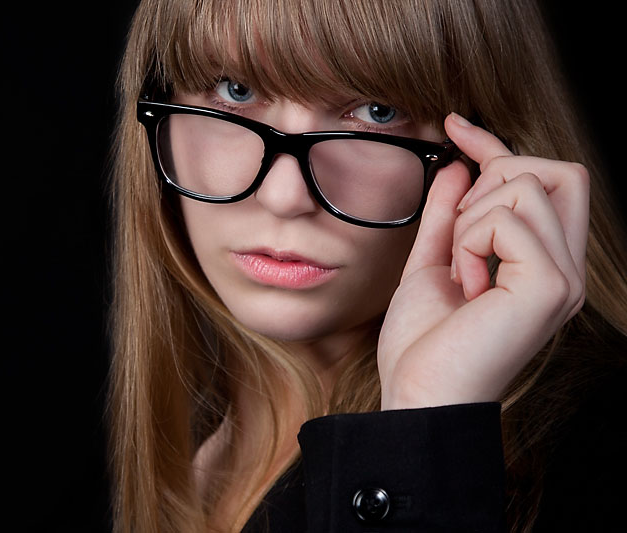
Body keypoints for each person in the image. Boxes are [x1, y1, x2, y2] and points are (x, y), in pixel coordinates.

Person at [106, 0, 627, 531]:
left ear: (486, 151)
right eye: (235, 90)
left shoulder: (592, 453)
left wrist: (421, 429)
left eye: (378, 111)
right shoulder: (196, 451)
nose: (284, 195)